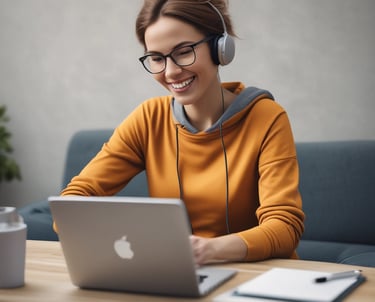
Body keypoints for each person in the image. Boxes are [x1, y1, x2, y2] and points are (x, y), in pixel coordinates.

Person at [61, 0, 304, 265]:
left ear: (220, 47)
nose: (171, 71)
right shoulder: (148, 118)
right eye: (157, 58)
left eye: (184, 51)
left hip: (257, 276)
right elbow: (74, 200)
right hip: (177, 273)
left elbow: (284, 227)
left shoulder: (267, 118)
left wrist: (210, 250)